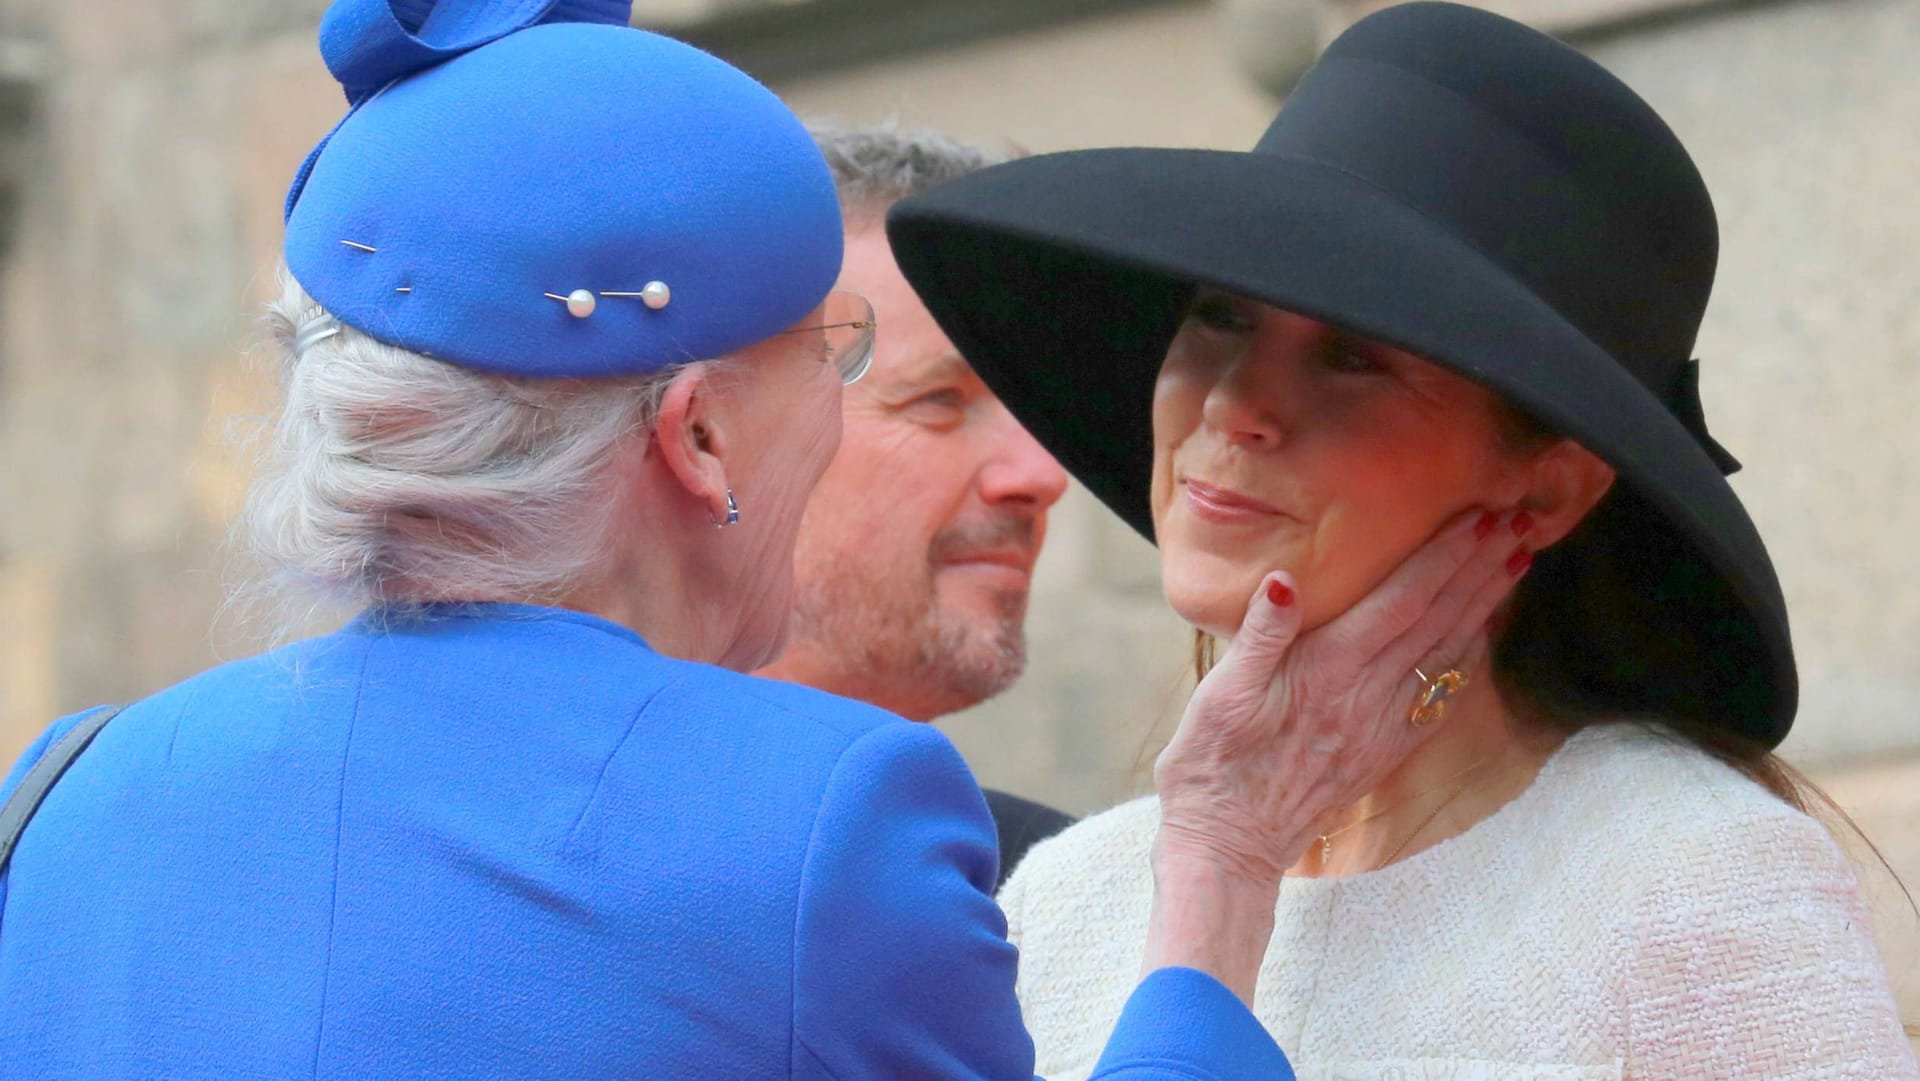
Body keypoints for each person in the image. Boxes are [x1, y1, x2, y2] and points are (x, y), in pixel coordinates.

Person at [0, 2, 1516, 1077]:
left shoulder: (64, 793)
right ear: (699, 432)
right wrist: (1222, 874)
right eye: (838, 361)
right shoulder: (821, 819)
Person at [887, 3, 1920, 1078]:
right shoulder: (1067, 900)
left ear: (1549, 487)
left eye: (1353, 358)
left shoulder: (1688, 881)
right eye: (1219, 316)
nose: (1235, 407)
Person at [755, 122, 1075, 886]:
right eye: (941, 400)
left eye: (1034, 410)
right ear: (714, 432)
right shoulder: (518, 861)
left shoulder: (1068, 906)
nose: (1041, 474)